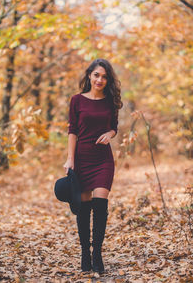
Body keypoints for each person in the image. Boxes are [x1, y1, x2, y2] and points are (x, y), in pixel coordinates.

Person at [63, 58, 123, 273]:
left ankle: (97, 253)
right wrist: (70, 159)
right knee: (84, 208)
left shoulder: (110, 101)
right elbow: (72, 131)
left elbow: (114, 127)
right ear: (89, 75)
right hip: (82, 158)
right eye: (96, 75)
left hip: (103, 160)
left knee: (100, 204)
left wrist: (110, 133)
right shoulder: (77, 100)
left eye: (104, 76)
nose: (100, 79)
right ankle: (84, 253)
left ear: (108, 80)